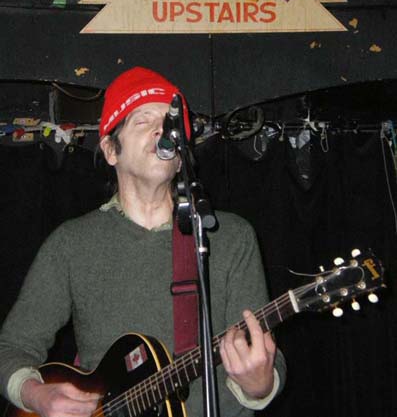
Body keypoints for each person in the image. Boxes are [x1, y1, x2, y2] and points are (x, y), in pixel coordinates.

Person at [0, 66, 286, 417]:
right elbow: (11, 348)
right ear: (110, 150)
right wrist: (36, 396)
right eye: (142, 120)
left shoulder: (228, 236)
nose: (161, 129)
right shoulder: (71, 245)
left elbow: (265, 357)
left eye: (169, 121)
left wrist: (260, 384)